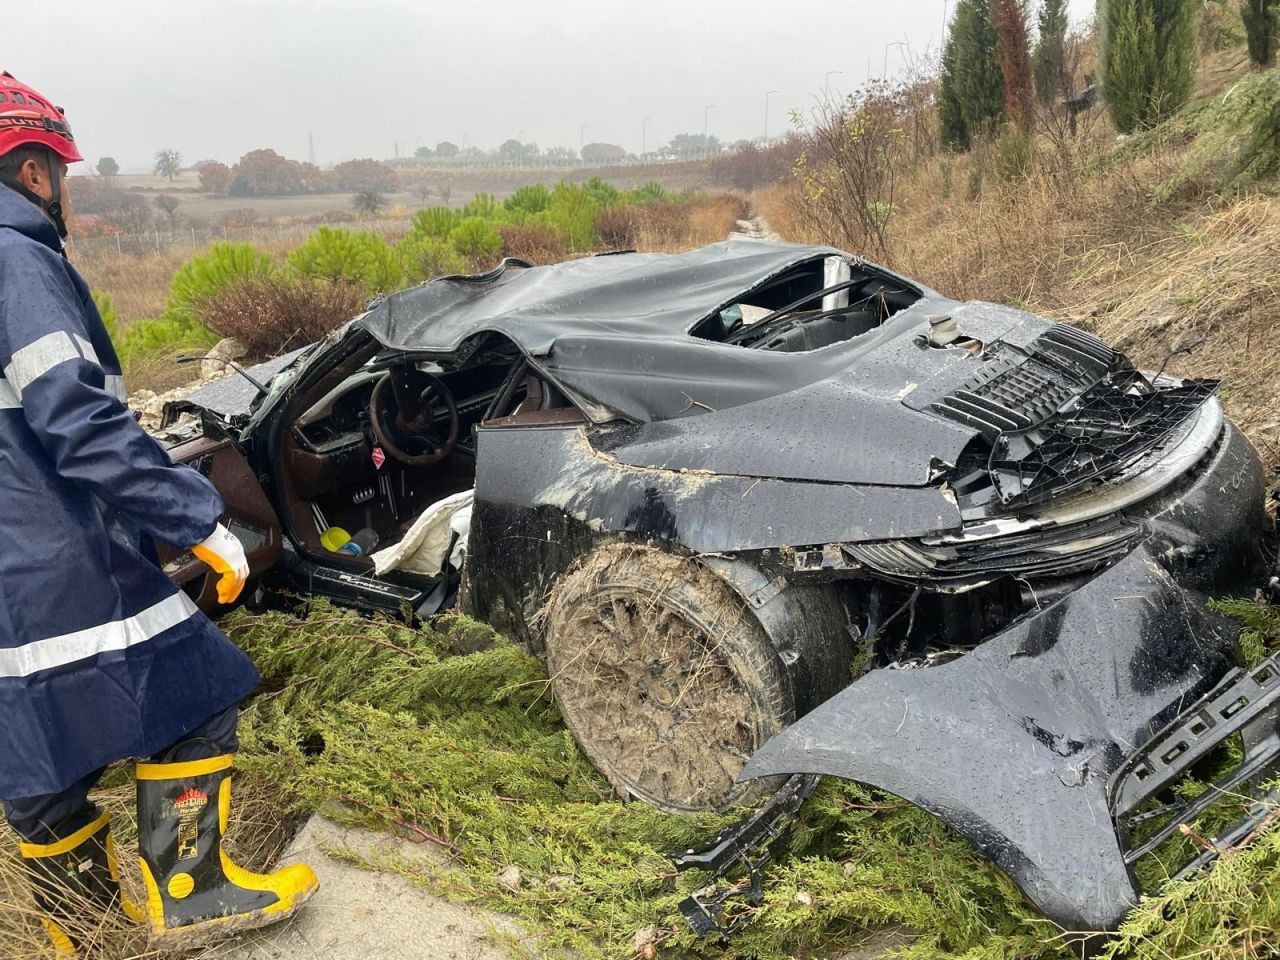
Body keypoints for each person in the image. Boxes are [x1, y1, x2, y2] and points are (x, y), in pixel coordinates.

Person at [0, 71, 317, 955]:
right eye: (61, 175)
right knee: (195, 692)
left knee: (34, 748)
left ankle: (76, 931)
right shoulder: (14, 257)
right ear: (34, 173)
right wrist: (196, 517)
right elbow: (77, 415)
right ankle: (194, 891)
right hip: (51, 561)